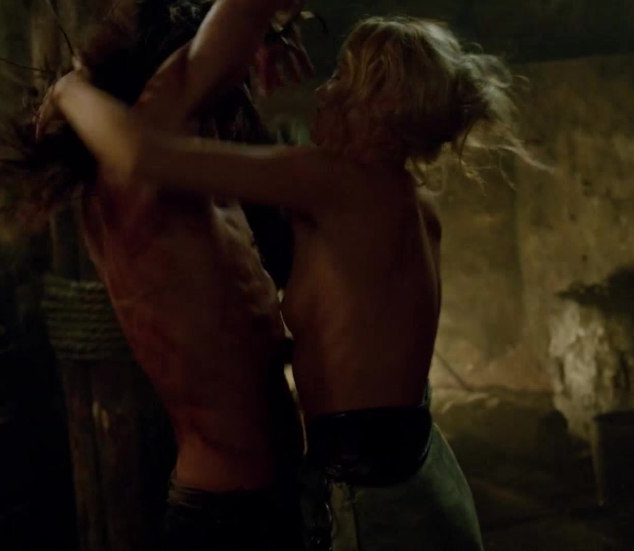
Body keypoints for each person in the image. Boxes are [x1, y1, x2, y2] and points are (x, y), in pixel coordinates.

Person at [42, 14, 540, 551]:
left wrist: (68, 90)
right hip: (425, 470)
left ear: (381, 105)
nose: (323, 92)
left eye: (342, 77)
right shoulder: (410, 202)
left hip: (371, 503)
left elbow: (141, 154)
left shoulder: (330, 182)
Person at [0, 0, 314, 549]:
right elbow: (222, 40)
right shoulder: (134, 185)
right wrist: (68, 89)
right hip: (232, 515)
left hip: (258, 497)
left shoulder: (178, 185)